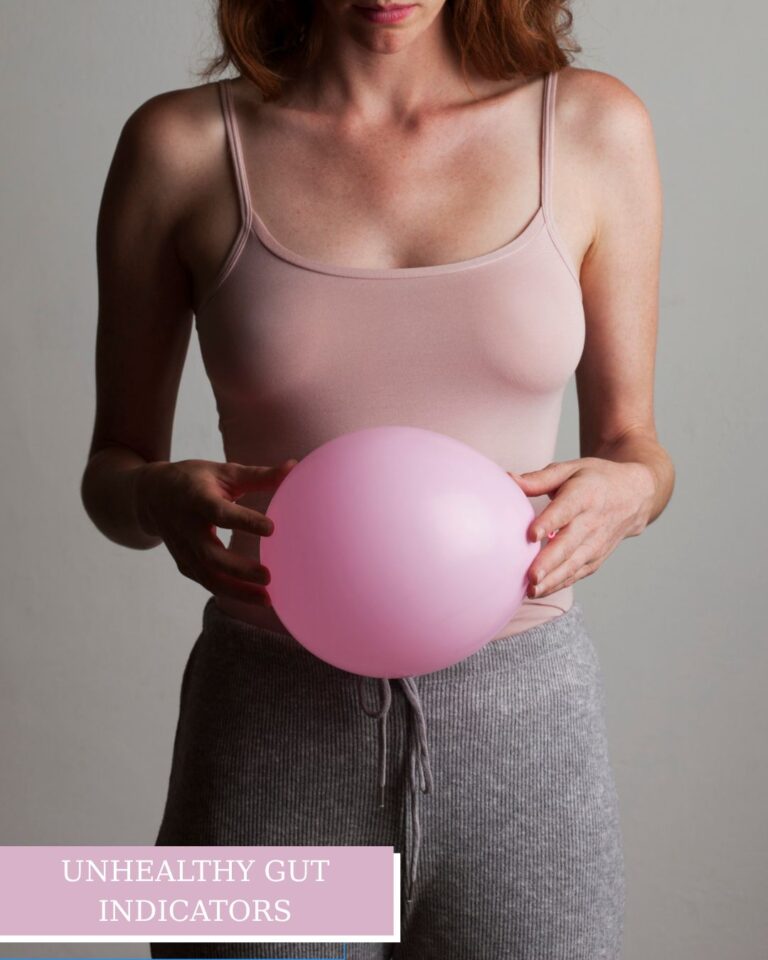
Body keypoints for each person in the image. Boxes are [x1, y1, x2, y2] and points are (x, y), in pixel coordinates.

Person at [81, 0, 674, 957]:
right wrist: (154, 497)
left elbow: (637, 446)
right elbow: (112, 472)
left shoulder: (593, 128)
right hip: (265, 729)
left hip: (525, 738)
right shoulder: (182, 146)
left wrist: (632, 491)